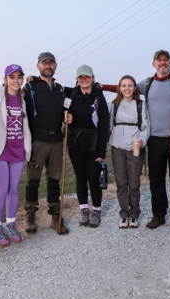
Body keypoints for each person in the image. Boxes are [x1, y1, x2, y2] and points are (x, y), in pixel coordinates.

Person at [102, 50, 170, 230]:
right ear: (154, 64)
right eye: (159, 60)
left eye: (166, 60)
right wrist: (101, 86)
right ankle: (158, 215)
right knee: (156, 180)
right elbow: (125, 88)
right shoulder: (147, 83)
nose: (163, 63)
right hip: (155, 140)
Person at [22, 52, 69, 235]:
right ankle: (30, 215)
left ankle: (56, 216)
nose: (48, 66)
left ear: (55, 65)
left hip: (57, 140)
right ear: (38, 66)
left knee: (54, 180)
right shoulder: (29, 88)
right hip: (38, 141)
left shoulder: (61, 90)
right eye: (44, 63)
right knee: (33, 179)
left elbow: (72, 103)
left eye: (51, 63)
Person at [0, 64, 32, 245]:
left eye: (19, 77)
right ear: (5, 79)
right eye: (12, 77)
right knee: (2, 189)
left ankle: (10, 224)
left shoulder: (22, 98)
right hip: (0, 150)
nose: (16, 81)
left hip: (18, 149)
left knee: (14, 189)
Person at [65, 65, 110, 228]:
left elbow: (104, 125)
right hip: (75, 143)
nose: (84, 80)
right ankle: (84, 209)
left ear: (93, 78)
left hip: (94, 143)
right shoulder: (70, 95)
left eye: (87, 77)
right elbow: (60, 110)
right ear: (77, 79)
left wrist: (102, 151)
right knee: (80, 177)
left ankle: (96, 210)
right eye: (81, 77)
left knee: (94, 177)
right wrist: (66, 118)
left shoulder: (99, 97)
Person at [108, 75, 149, 229]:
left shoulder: (140, 105)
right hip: (117, 146)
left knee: (134, 181)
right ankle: (124, 214)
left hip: (134, 146)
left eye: (130, 85)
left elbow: (145, 126)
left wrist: (142, 140)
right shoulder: (115, 104)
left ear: (134, 88)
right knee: (121, 182)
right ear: (119, 88)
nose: (127, 88)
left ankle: (134, 214)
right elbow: (110, 125)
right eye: (123, 86)